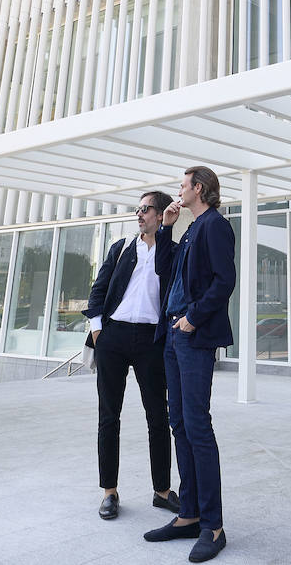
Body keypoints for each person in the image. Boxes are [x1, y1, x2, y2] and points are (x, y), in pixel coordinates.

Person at [145, 166, 236, 563]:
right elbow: (164, 269)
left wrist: (194, 317)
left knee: (197, 425)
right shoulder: (190, 228)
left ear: (198, 188)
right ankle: (190, 514)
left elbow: (224, 279)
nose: (178, 191)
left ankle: (213, 526)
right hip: (173, 334)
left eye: (182, 186)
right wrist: (165, 228)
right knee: (178, 422)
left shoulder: (216, 225)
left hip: (193, 334)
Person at [84, 190, 180, 520]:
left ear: (162, 213)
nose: (139, 214)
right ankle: (109, 492)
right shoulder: (122, 247)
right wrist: (99, 331)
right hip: (114, 337)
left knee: (157, 416)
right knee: (109, 416)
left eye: (146, 209)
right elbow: (98, 291)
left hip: (151, 340)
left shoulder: (172, 252)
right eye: (137, 209)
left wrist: (166, 231)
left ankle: (162, 490)